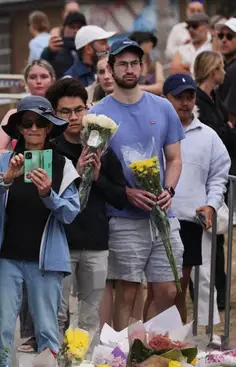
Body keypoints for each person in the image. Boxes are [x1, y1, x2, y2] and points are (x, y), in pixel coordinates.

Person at [88, 40, 184, 330]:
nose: (129, 70)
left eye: (134, 63)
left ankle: (151, 350)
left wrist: (168, 191)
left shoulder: (163, 107)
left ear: (142, 67)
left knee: (168, 290)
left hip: (162, 215)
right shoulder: (99, 114)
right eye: (122, 64)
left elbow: (175, 158)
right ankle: (123, 358)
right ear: (111, 68)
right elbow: (93, 171)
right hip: (124, 217)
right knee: (127, 292)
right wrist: (125, 193)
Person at [0, 95, 79, 362]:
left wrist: (49, 194)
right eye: (27, 123)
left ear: (49, 128)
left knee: (47, 331)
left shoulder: (62, 165)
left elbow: (70, 214)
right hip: (6, 259)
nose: (33, 128)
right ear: (20, 128)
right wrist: (5, 180)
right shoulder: (4, 162)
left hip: (45, 262)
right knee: (2, 331)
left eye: (40, 123)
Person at [45, 78, 128, 333]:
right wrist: (76, 174)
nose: (73, 117)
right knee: (57, 316)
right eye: (65, 111)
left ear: (88, 109)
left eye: (79, 110)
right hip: (60, 244)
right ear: (54, 113)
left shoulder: (101, 147)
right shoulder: (50, 150)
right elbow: (42, 196)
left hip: (95, 243)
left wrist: (96, 178)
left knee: (90, 318)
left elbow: (121, 197)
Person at [162, 74, 228, 331]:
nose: (185, 102)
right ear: (165, 98)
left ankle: (189, 339)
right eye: (178, 97)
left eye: (189, 96)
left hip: (193, 220)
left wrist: (211, 204)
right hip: (159, 219)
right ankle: (157, 340)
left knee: (191, 284)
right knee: (163, 288)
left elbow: (219, 176)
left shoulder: (209, 136)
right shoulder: (156, 131)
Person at [194, 51, 232, 313]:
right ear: (212, 71)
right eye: (221, 68)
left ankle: (220, 290)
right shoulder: (199, 102)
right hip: (203, 180)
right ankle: (213, 295)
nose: (225, 73)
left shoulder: (214, 99)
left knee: (218, 239)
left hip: (218, 177)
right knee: (209, 240)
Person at [0, 60, 56, 166]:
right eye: (33, 77)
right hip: (19, 171)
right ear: (25, 81)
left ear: (52, 80)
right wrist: (27, 158)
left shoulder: (59, 114)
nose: (38, 81)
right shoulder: (13, 114)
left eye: (44, 76)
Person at [41, 11, 86, 79]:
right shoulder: (55, 48)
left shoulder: (89, 48)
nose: (76, 31)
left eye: (79, 27)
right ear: (64, 28)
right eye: (72, 27)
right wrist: (49, 51)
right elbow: (42, 64)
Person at [129, 31, 164, 95]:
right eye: (147, 41)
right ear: (138, 43)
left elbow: (160, 88)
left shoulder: (156, 65)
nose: (151, 44)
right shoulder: (129, 65)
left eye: (151, 42)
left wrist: (138, 88)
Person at [216, 18, 236, 126]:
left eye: (229, 36)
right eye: (220, 36)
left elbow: (232, 115)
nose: (224, 40)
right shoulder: (224, 66)